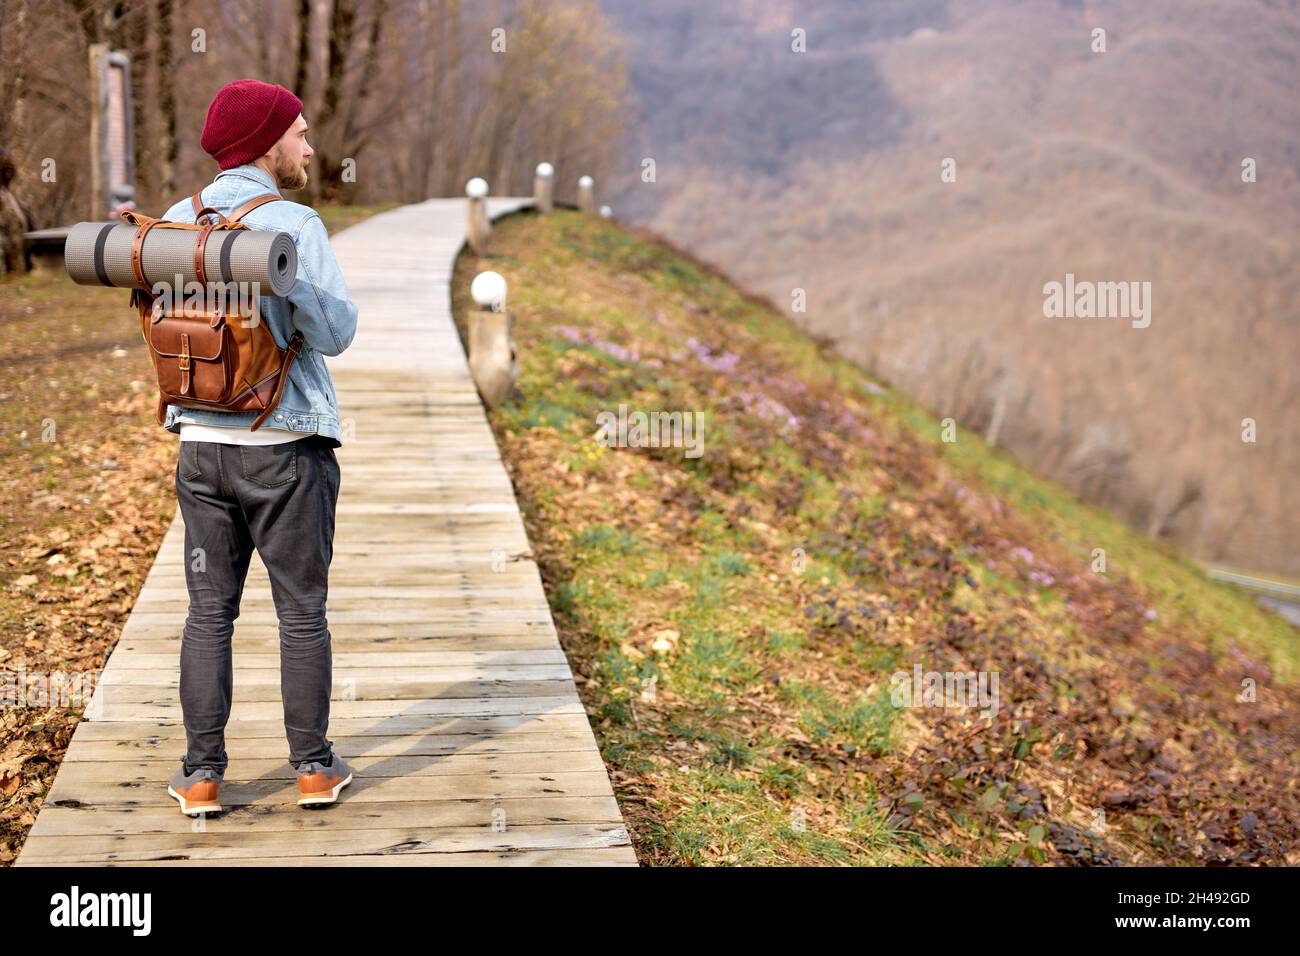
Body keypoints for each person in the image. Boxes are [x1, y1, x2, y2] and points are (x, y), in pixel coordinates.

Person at [162, 79, 358, 816]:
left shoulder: (176, 219)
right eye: (300, 133)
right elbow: (336, 335)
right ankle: (312, 768)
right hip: (285, 447)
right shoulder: (295, 221)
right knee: (301, 611)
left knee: (209, 612)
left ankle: (202, 775)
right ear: (268, 143)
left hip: (201, 446)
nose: (308, 146)